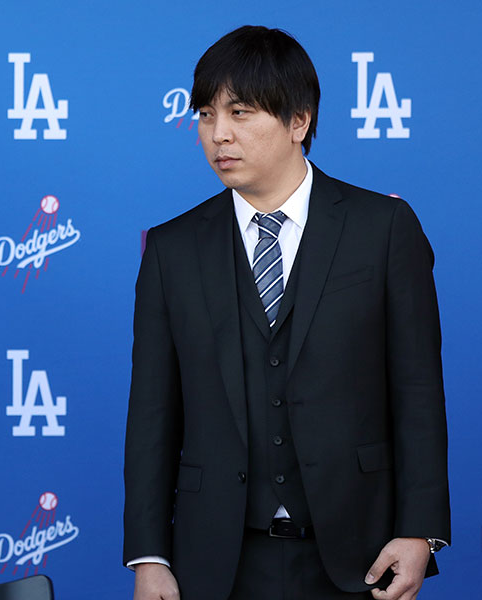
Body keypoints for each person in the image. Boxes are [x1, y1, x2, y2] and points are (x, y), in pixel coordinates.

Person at [123, 25, 449, 600]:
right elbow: (152, 414)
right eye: (205, 115)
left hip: (360, 557)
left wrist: (418, 530)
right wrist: (149, 556)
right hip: (217, 561)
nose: (218, 134)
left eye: (241, 112)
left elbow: (418, 390)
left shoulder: (383, 230)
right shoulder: (172, 249)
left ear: (299, 121)